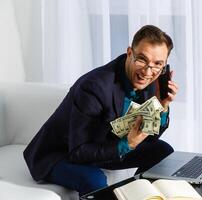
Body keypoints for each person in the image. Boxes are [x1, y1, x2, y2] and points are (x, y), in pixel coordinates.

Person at [23, 25, 178, 196]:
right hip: (62, 153)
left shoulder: (152, 80)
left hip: (105, 144)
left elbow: (152, 137)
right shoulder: (93, 87)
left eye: (158, 64)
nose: (148, 71)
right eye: (141, 59)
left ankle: (138, 195)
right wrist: (129, 144)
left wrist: (162, 107)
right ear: (129, 53)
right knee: (95, 181)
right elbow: (78, 151)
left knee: (164, 152)